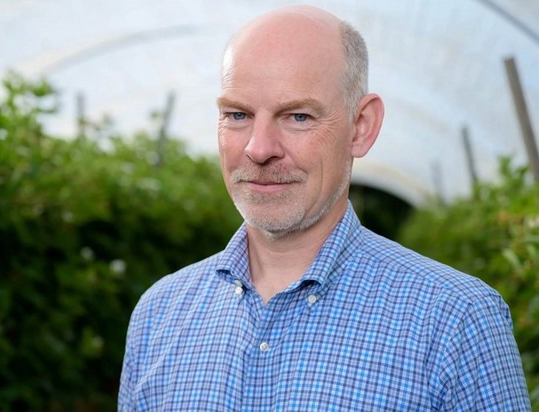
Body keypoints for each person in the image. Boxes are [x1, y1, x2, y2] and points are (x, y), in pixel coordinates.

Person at [118, 5, 531, 411]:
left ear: (361, 126)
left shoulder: (456, 320)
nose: (259, 148)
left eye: (298, 116)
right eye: (238, 114)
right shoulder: (159, 314)